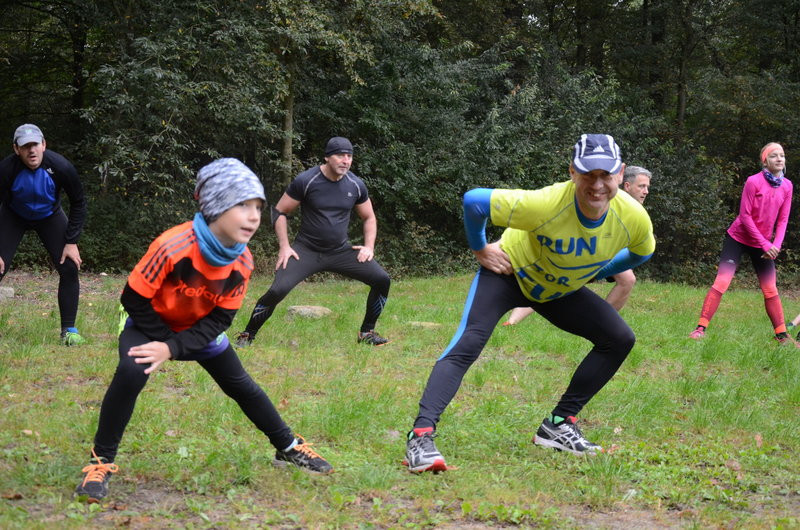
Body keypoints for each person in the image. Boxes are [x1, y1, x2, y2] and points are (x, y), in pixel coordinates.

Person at [74, 159, 332, 503]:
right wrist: (164, 342)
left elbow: (219, 320)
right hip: (149, 323)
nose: (254, 216)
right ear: (215, 206)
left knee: (242, 385)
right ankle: (100, 462)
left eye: (258, 207)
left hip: (199, 329)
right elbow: (133, 300)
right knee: (131, 373)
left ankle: (288, 446)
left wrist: (174, 348)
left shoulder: (243, 260)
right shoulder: (172, 245)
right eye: (243, 206)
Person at [403, 134, 655, 472]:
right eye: (588, 174)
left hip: (558, 289)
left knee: (619, 339)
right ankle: (420, 437)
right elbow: (475, 201)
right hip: (508, 274)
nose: (597, 185)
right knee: (469, 342)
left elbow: (642, 252)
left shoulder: (633, 217)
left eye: (606, 175)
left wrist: (594, 272)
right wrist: (480, 248)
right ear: (572, 172)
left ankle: (558, 425)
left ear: (620, 174)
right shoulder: (546, 204)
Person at [235, 137, 391, 347]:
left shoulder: (355, 184)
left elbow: (369, 217)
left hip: (340, 251)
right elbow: (279, 212)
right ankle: (247, 335)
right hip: (305, 251)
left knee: (382, 280)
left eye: (349, 156)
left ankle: (367, 333)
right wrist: (284, 247)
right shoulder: (307, 180)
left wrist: (369, 247)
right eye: (340, 155)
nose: (346, 160)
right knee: (277, 290)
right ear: (327, 157)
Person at [502, 165, 652, 325]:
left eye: (647, 187)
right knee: (626, 279)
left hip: (602, 253)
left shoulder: (635, 211)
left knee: (624, 280)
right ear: (627, 185)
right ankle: (598, 325)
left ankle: (599, 325)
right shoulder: (607, 200)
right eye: (641, 186)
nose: (646, 191)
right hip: (585, 248)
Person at [689, 142, 791, 342]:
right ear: (765, 161)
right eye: (773, 156)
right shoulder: (753, 181)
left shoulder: (787, 186)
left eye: (782, 155)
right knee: (722, 282)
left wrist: (776, 244)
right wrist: (765, 243)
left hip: (764, 245)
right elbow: (744, 216)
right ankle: (700, 329)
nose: (779, 159)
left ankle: (781, 336)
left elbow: (783, 220)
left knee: (770, 288)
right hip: (738, 238)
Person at [0, 124, 88, 345]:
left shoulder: (61, 167)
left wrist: (71, 242)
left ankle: (68, 331)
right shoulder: (6, 170)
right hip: (13, 215)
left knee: (69, 266)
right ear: (16, 149)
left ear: (44, 145)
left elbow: (78, 202)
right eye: (25, 146)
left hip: (49, 216)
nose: (32, 150)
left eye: (35, 144)